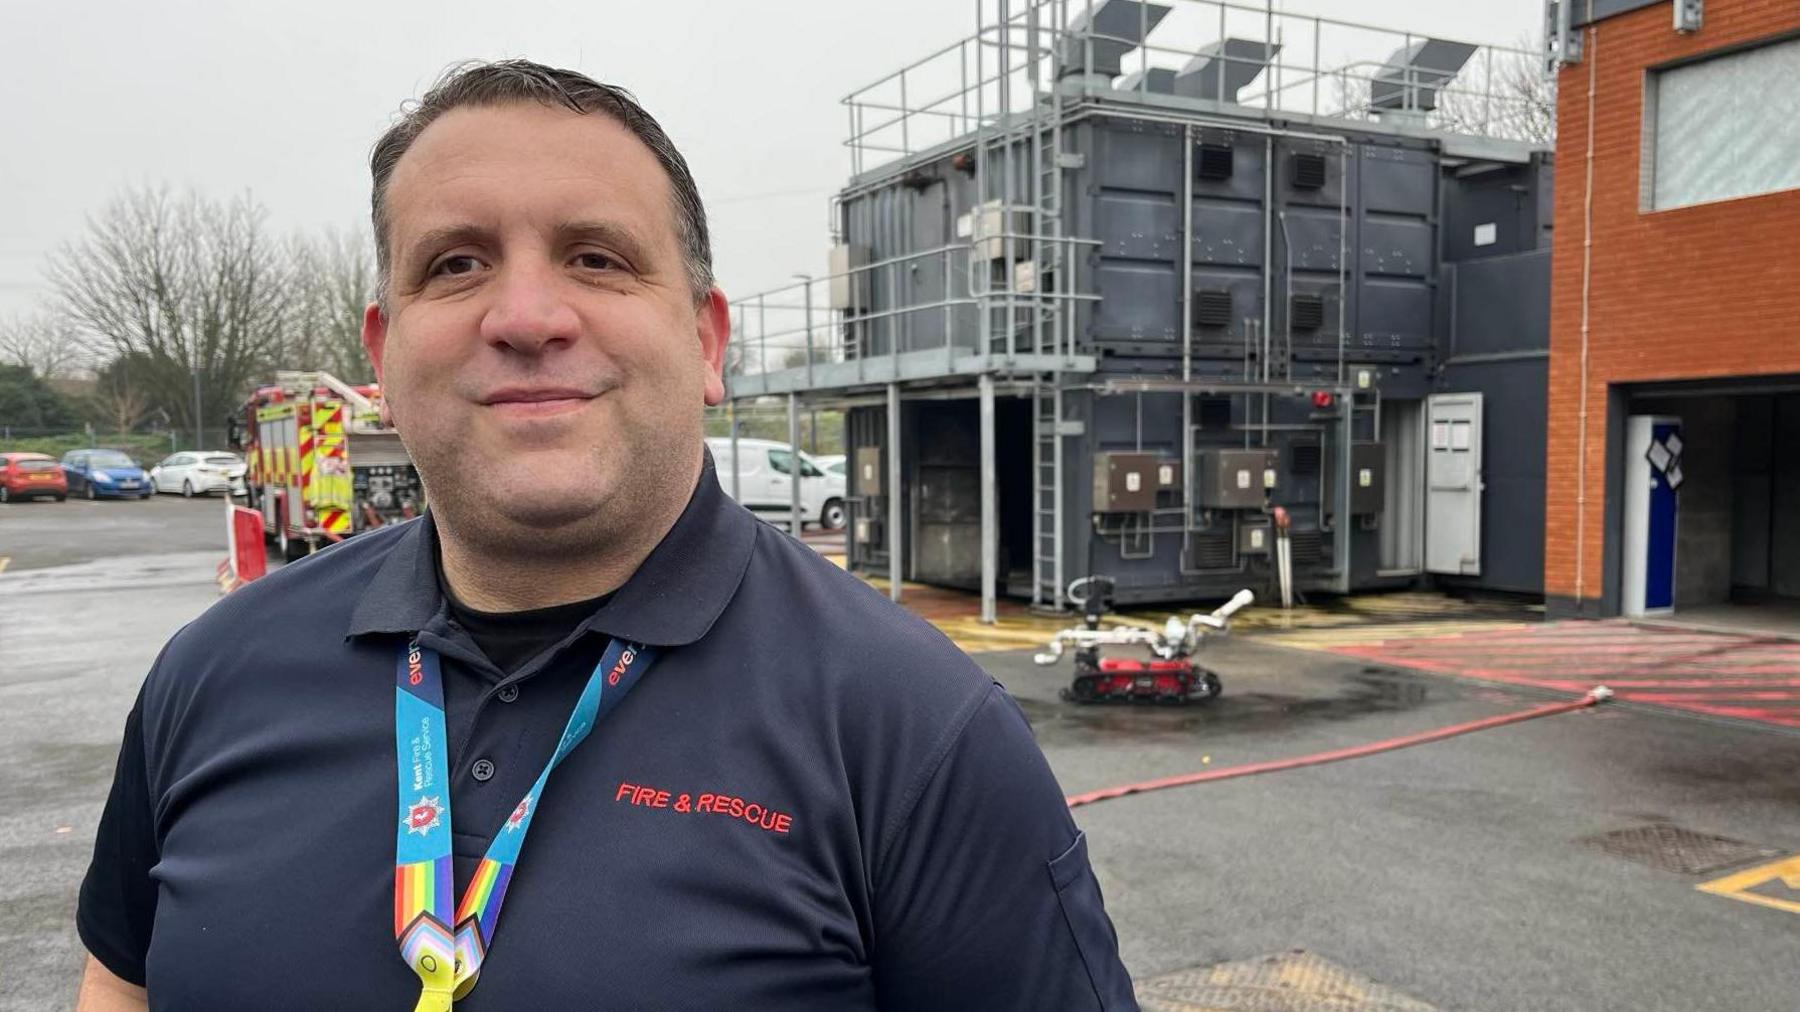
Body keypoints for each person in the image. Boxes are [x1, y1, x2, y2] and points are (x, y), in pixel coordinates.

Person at [74, 60, 1135, 1011]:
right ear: (385, 354)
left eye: (594, 257)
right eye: (455, 264)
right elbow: (121, 982)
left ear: (707, 340)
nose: (527, 315)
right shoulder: (212, 672)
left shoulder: (918, 733)